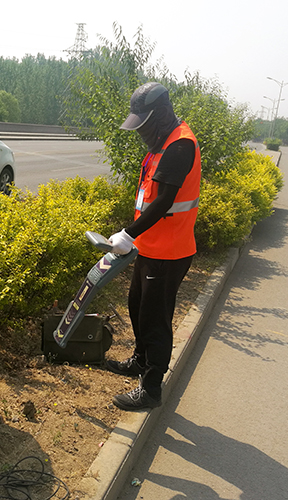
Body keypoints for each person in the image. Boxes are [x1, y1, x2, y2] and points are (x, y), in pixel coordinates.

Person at [105, 82, 201, 411]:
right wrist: (136, 238)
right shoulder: (163, 141)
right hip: (151, 247)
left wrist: (128, 234)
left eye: (144, 125)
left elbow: (162, 202)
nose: (141, 133)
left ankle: (151, 389)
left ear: (161, 115)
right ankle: (140, 360)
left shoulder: (179, 146)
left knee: (155, 320)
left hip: (169, 250)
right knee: (137, 306)